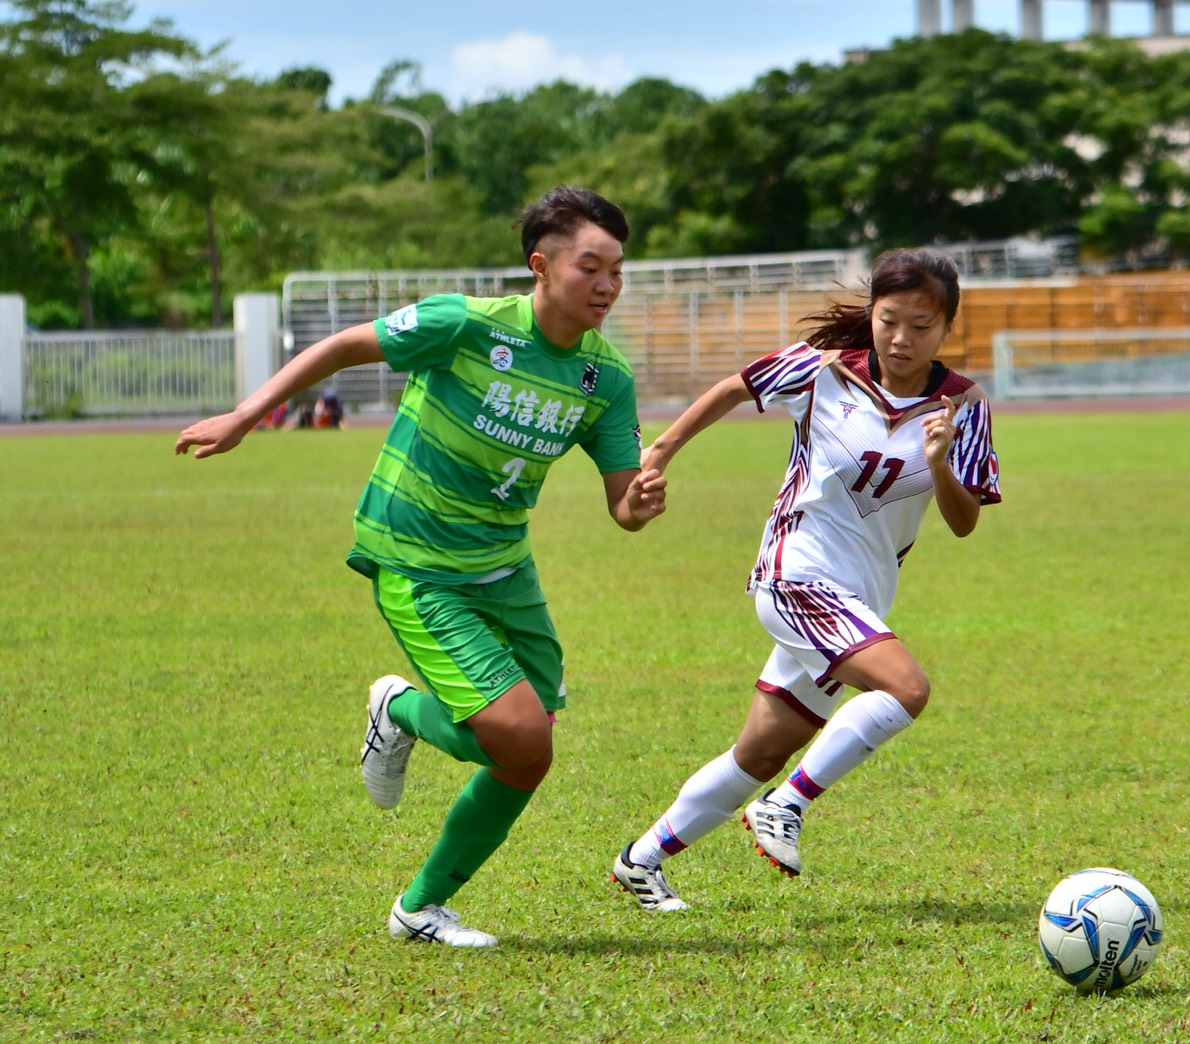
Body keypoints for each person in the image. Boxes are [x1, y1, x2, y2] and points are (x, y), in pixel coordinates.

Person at [176, 185, 666, 946]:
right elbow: (342, 345)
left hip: (504, 566)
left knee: (526, 755)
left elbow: (623, 507)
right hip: (416, 559)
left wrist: (643, 498)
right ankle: (401, 712)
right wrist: (247, 415)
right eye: (589, 267)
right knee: (523, 739)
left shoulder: (605, 378)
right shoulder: (463, 324)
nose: (606, 286)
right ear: (540, 266)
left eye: (617, 271)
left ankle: (419, 905)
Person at [611, 247, 1001, 912]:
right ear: (872, 315)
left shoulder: (962, 405)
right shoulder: (822, 371)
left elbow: (964, 522)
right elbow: (738, 384)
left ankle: (640, 861)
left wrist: (939, 464)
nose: (902, 338)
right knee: (907, 688)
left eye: (921, 325)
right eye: (889, 320)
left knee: (759, 753)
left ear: (947, 329)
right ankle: (786, 807)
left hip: (858, 602)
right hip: (796, 577)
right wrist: (661, 450)